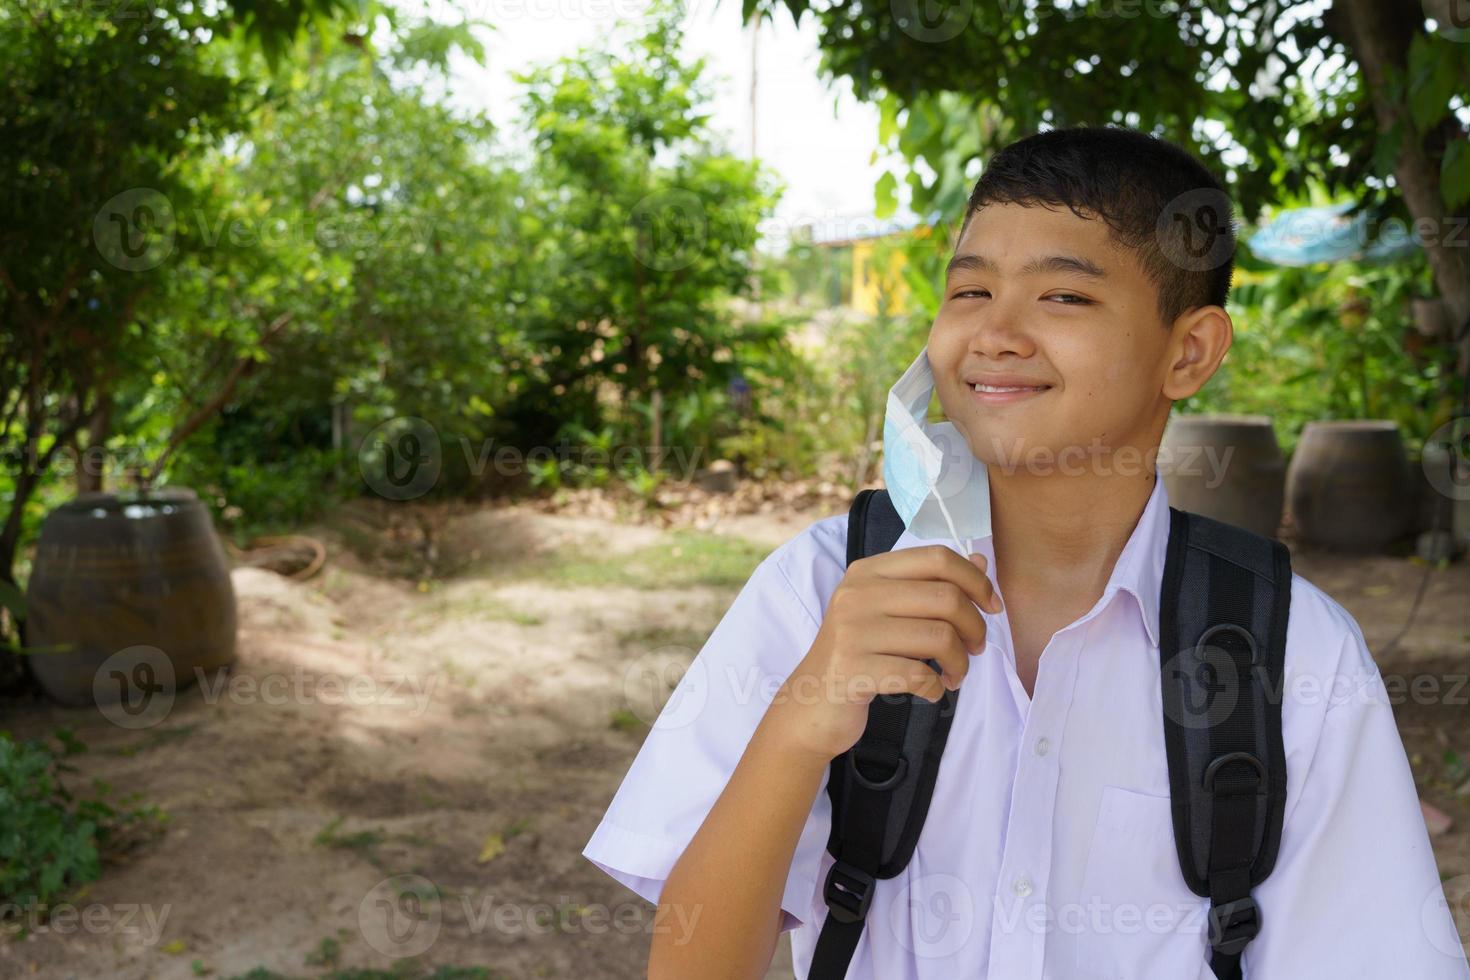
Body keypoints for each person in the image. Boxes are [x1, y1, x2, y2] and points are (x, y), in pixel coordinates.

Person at [582, 126, 1470, 979]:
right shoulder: (822, 590)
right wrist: (802, 718)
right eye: (969, 292)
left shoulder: (1297, 655)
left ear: (1189, 351)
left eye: (1064, 296)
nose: (996, 332)